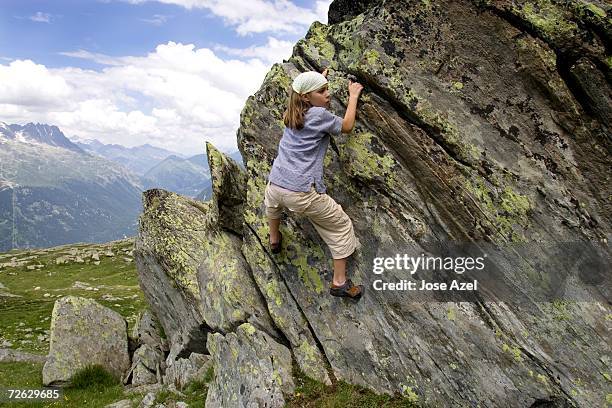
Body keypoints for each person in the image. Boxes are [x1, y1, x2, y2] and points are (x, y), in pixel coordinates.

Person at [264, 68, 364, 300]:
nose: (328, 94)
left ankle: (274, 238)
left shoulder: (290, 114)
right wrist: (353, 97)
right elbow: (347, 126)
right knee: (339, 226)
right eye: (322, 90)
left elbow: (302, 96)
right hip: (300, 191)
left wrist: (316, 80)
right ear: (307, 97)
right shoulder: (319, 115)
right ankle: (339, 282)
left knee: (272, 206)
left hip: (276, 182)